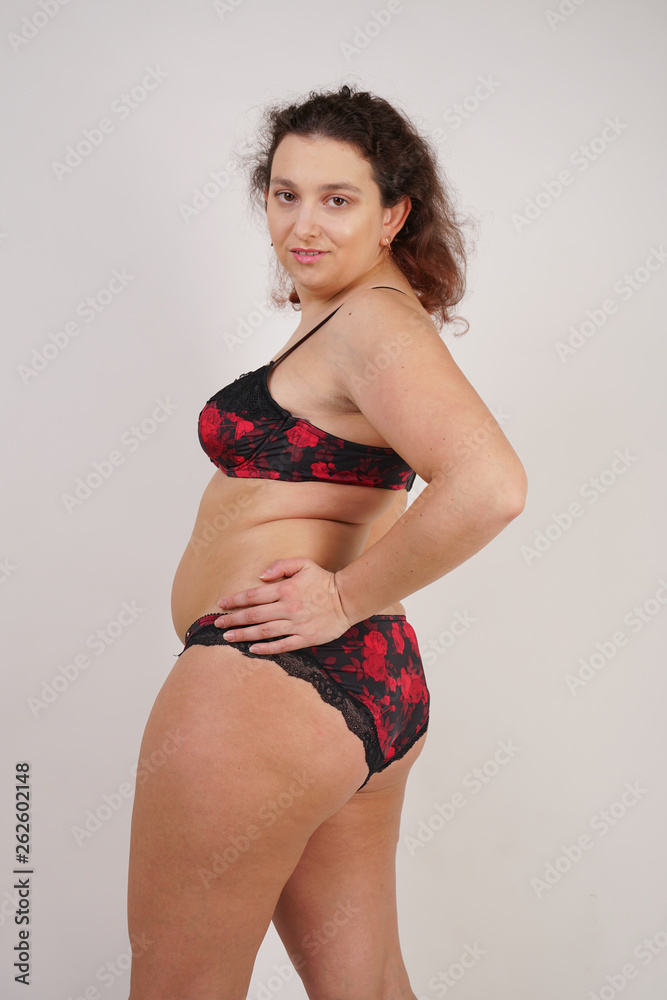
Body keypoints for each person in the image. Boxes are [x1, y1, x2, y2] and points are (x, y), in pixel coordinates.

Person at [126, 83, 527, 999]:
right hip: (360, 682)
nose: (302, 222)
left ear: (394, 214)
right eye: (283, 193)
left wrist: (340, 596)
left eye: (337, 199)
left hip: (268, 683)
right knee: (367, 987)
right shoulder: (348, 318)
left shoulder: (375, 324)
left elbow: (491, 487)